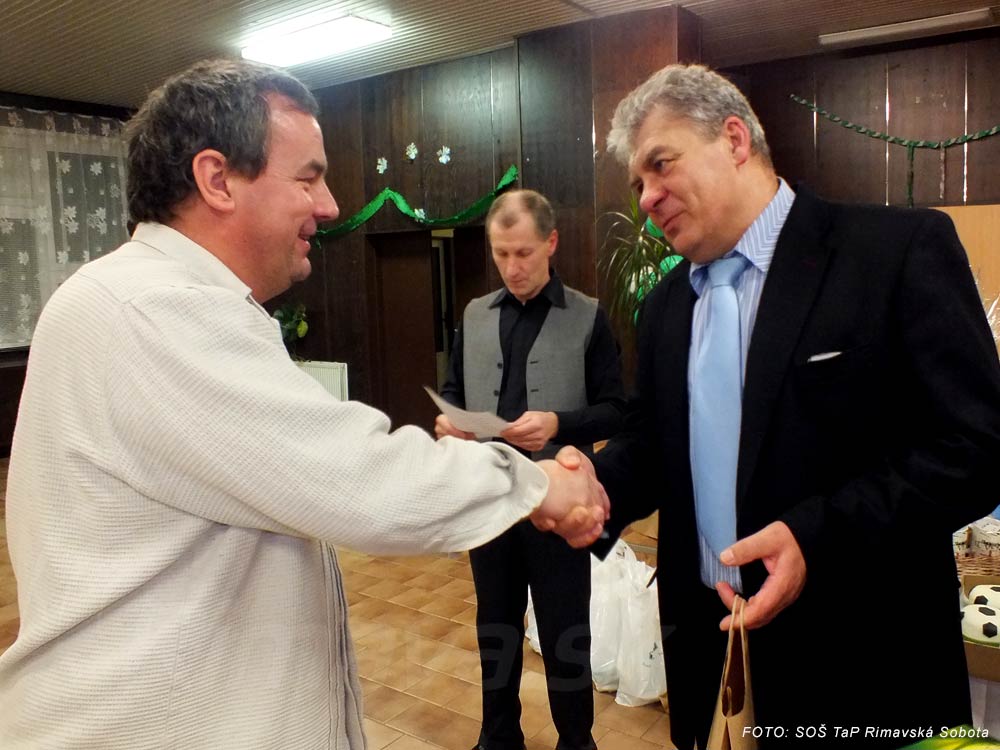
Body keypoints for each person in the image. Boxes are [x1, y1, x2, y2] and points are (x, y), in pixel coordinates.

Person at [0, 60, 609, 750]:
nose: (330, 206)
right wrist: (536, 484)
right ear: (217, 179)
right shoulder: (154, 308)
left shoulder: (142, 297)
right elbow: (360, 479)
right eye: (308, 177)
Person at [590, 63, 1000, 749]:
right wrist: (589, 485)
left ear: (734, 139)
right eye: (637, 184)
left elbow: (979, 448)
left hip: (864, 668)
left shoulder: (892, 253)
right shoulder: (665, 307)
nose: (647, 198)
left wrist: (817, 535)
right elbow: (656, 446)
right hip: (712, 659)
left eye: (660, 165)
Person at [435, 189, 625, 750]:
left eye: (523, 253)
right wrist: (450, 422)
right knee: (495, 624)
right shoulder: (475, 315)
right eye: (501, 254)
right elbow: (453, 390)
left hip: (559, 504)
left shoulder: (588, 316)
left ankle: (576, 741)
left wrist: (559, 423)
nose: (512, 267)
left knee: (567, 629)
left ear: (551, 243)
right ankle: (498, 736)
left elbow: (617, 409)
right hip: (489, 498)